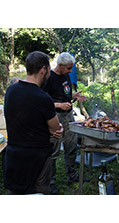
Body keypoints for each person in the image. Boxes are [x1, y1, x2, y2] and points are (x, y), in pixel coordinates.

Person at [3, 51, 63, 195]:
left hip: (13, 156)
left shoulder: (10, 91)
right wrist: (54, 129)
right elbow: (56, 129)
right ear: (43, 69)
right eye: (48, 69)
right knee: (39, 195)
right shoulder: (43, 98)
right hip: (37, 159)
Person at [42, 52, 87, 194]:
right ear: (60, 65)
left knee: (71, 145)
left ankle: (72, 175)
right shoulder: (48, 78)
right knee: (53, 150)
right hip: (54, 117)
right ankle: (51, 181)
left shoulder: (65, 75)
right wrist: (59, 105)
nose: (71, 71)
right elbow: (42, 101)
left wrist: (73, 96)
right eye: (68, 68)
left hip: (68, 117)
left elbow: (63, 94)